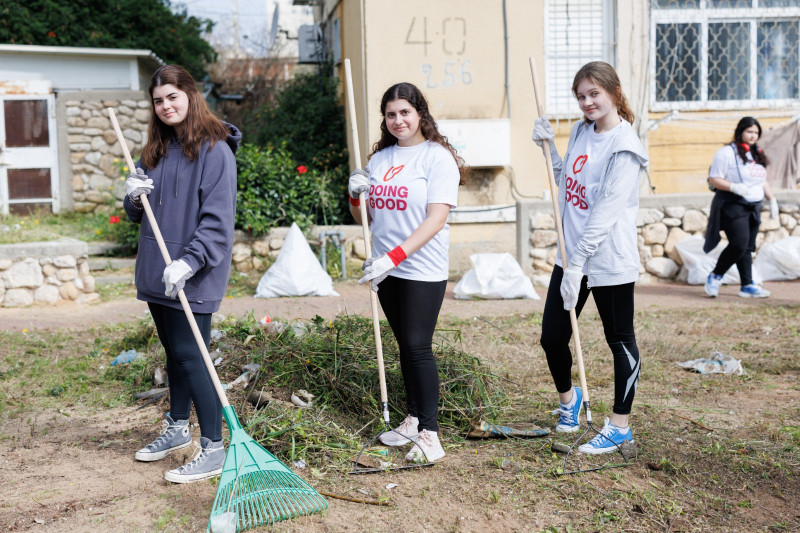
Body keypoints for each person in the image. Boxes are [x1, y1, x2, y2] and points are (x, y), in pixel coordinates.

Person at [123, 65, 240, 483]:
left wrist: (190, 261)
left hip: (194, 273)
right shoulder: (154, 151)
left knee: (194, 357)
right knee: (175, 354)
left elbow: (218, 222)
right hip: (158, 271)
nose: (166, 106)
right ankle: (176, 427)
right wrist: (132, 199)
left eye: (173, 96)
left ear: (190, 95)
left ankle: (214, 447)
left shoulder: (216, 151)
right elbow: (140, 214)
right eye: (158, 100)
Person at [531, 61, 648, 454]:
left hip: (607, 261)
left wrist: (579, 264)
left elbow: (605, 212)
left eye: (594, 94)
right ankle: (570, 402)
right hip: (570, 256)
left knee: (620, 340)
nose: (587, 102)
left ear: (614, 92)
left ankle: (620, 427)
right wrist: (549, 148)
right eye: (581, 96)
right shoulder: (582, 131)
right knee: (552, 337)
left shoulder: (625, 147)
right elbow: (567, 183)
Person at [348, 82, 467, 462]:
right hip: (386, 270)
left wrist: (394, 257)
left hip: (420, 268)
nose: (398, 120)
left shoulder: (437, 158)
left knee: (417, 346)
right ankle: (414, 419)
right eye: (390, 114)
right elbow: (365, 219)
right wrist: (354, 194)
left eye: (405, 112)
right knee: (405, 346)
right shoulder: (380, 160)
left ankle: (431, 435)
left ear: (420, 114)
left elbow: (437, 218)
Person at [704, 117, 777, 298]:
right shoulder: (726, 153)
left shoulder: (756, 153)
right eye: (749, 132)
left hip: (754, 205)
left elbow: (761, 180)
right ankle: (716, 275)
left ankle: (747, 285)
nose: (753, 136)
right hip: (733, 204)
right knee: (739, 244)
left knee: (747, 247)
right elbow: (714, 178)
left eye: (756, 133)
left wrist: (772, 199)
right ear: (740, 132)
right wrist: (734, 187)